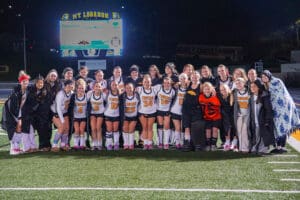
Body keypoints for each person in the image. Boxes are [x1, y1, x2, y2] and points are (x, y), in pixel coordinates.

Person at [261, 70, 300, 153]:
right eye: (263, 77)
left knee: (282, 126)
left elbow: (280, 94)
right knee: (278, 127)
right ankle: (279, 146)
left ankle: (280, 147)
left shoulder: (276, 81)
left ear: (269, 76)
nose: (264, 78)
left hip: (283, 108)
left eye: (265, 76)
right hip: (276, 109)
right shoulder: (266, 84)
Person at [6, 71, 30, 155]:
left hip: (19, 111)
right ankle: (12, 148)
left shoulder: (26, 91)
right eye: (24, 81)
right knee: (15, 127)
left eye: (27, 81)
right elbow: (13, 105)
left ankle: (17, 147)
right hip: (12, 112)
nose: (25, 83)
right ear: (20, 82)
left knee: (19, 127)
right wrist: (18, 116)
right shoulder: (15, 91)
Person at [182, 71, 205, 151]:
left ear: (199, 77)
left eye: (196, 76)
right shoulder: (188, 84)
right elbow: (179, 82)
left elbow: (210, 90)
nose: (194, 77)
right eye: (193, 76)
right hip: (186, 109)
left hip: (197, 109)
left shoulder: (201, 86)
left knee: (196, 127)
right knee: (187, 127)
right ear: (190, 77)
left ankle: (197, 144)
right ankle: (187, 144)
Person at [249, 80, 275, 154]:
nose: (252, 88)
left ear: (258, 87)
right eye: (251, 87)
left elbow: (268, 110)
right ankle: (255, 147)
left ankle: (263, 148)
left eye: (254, 86)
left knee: (264, 135)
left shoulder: (264, 96)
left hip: (263, 120)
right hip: (255, 120)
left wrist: (267, 121)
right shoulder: (251, 97)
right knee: (256, 135)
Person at [50, 79, 74, 152]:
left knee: (67, 128)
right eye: (68, 85)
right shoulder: (60, 94)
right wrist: (62, 120)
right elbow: (58, 108)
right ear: (65, 86)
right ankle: (54, 145)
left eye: (71, 85)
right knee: (61, 127)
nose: (70, 86)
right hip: (56, 113)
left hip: (65, 113)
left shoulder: (72, 93)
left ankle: (63, 145)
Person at [136, 74, 158, 150]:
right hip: (142, 111)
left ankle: (150, 143)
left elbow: (166, 85)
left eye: (148, 82)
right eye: (145, 82)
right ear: (142, 82)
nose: (146, 83)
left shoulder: (155, 89)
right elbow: (128, 89)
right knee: (144, 128)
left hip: (152, 111)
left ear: (151, 82)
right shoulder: (139, 89)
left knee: (150, 128)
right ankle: (145, 144)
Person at [199, 82, 222, 151]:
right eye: (205, 89)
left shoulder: (215, 97)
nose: (207, 90)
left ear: (211, 89)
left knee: (215, 130)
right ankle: (208, 144)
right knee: (208, 130)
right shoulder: (201, 97)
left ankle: (213, 144)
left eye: (208, 89)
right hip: (206, 117)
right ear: (203, 90)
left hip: (216, 116)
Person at [156, 77, 175, 150]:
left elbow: (174, 100)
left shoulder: (172, 91)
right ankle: (160, 142)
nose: (166, 84)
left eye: (168, 83)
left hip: (167, 111)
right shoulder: (158, 88)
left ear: (170, 84)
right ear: (163, 83)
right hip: (159, 110)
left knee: (166, 126)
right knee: (160, 126)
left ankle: (166, 143)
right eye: (165, 83)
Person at [232, 77, 251, 153]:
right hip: (239, 115)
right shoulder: (235, 92)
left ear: (244, 83)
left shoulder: (249, 91)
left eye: (240, 83)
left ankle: (245, 148)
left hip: (247, 114)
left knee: (245, 131)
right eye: (236, 83)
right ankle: (241, 148)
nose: (238, 84)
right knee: (239, 131)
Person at [170, 73, 188, 149]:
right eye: (181, 78)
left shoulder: (189, 88)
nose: (182, 80)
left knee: (183, 127)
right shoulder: (176, 88)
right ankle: (177, 143)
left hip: (184, 112)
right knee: (177, 128)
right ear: (179, 80)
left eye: (184, 78)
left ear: (187, 79)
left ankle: (182, 142)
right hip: (175, 110)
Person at [87, 82, 106, 150]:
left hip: (100, 113)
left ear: (101, 88)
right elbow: (85, 101)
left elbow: (108, 103)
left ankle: (99, 144)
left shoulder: (103, 95)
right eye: (96, 86)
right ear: (93, 87)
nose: (97, 88)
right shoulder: (90, 94)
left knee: (98, 128)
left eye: (99, 86)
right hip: (92, 113)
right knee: (93, 128)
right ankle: (94, 144)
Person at [218, 84, 237, 151]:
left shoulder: (232, 95)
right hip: (224, 114)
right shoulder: (220, 96)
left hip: (233, 113)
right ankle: (227, 141)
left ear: (228, 89)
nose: (223, 91)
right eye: (221, 90)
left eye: (224, 89)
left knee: (234, 127)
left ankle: (234, 143)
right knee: (226, 126)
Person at [70, 79, 88, 150]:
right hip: (75, 116)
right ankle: (76, 144)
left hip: (83, 116)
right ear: (76, 88)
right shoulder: (73, 96)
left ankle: (82, 144)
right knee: (77, 130)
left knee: (82, 129)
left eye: (82, 88)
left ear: (85, 88)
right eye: (79, 88)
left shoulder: (87, 96)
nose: (81, 89)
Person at [122, 83, 140, 150]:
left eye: (130, 88)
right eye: (127, 88)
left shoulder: (137, 95)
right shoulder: (123, 96)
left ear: (133, 88)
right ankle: (126, 144)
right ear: (125, 89)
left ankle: (131, 144)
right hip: (125, 116)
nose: (129, 89)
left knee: (131, 129)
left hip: (134, 116)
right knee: (125, 129)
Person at [104, 80, 121, 150]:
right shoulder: (107, 93)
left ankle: (116, 144)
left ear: (118, 86)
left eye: (116, 85)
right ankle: (109, 144)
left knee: (116, 129)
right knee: (109, 129)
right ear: (110, 86)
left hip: (117, 114)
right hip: (108, 114)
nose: (114, 86)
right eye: (113, 85)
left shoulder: (120, 94)